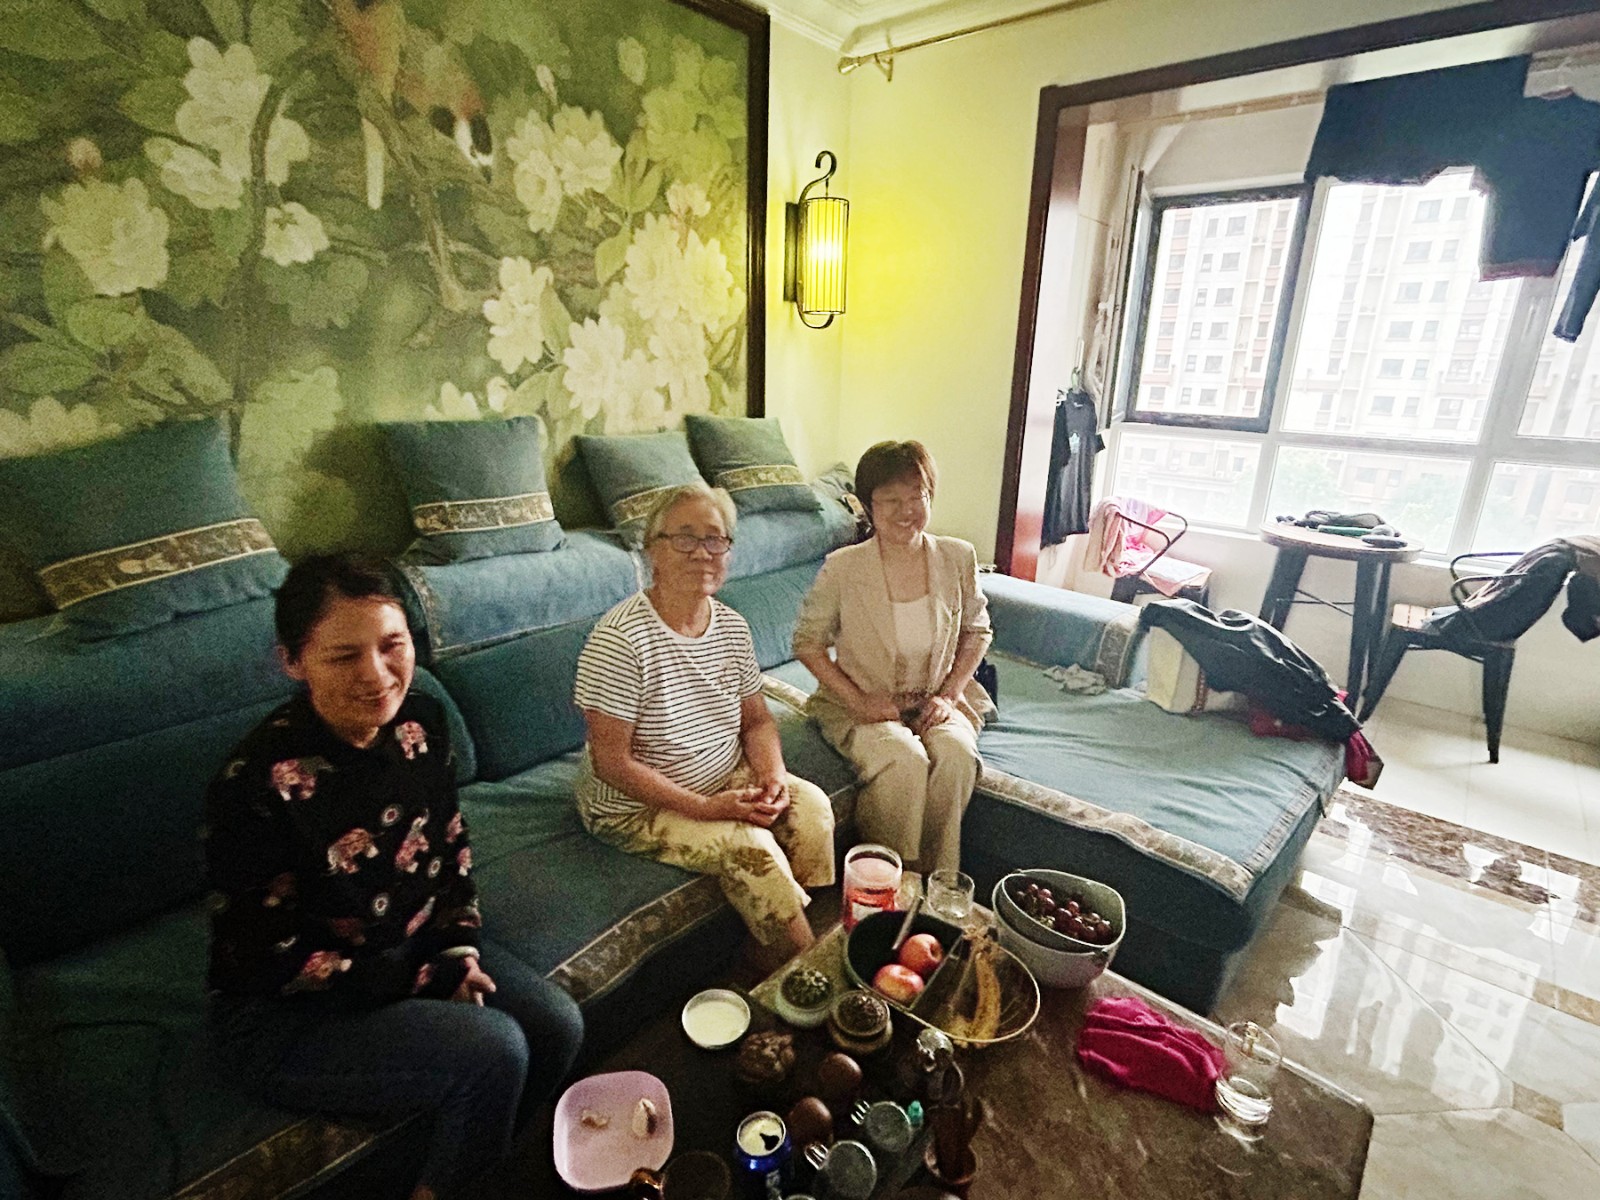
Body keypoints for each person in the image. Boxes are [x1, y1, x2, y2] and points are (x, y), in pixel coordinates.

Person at [204, 555, 583, 1200]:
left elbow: (450, 849)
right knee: (494, 1050)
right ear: (292, 661)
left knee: (557, 1027)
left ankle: (480, 1162)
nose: (378, 675)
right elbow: (272, 957)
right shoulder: (255, 784)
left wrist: (456, 949)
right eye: (343, 656)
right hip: (289, 1013)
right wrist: (430, 981)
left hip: (406, 952)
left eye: (392, 645)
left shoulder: (422, 723)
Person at [573, 482, 835, 964]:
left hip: (721, 775)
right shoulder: (620, 640)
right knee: (752, 849)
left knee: (813, 811)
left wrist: (772, 776)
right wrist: (704, 808)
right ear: (653, 550)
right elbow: (612, 763)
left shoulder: (732, 627)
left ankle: (772, 944)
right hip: (633, 808)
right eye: (684, 537)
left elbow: (756, 722)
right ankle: (802, 964)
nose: (702, 552)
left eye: (715, 538)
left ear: (728, 551)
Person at [793, 441, 993, 873]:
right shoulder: (843, 568)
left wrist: (948, 696)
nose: (906, 511)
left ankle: (937, 878)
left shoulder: (958, 557)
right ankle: (886, 877)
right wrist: (859, 701)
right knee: (905, 760)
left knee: (956, 756)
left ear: (930, 497)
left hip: (936, 699)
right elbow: (807, 644)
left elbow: (977, 631)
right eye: (890, 500)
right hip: (862, 704)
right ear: (869, 506)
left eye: (916, 497)